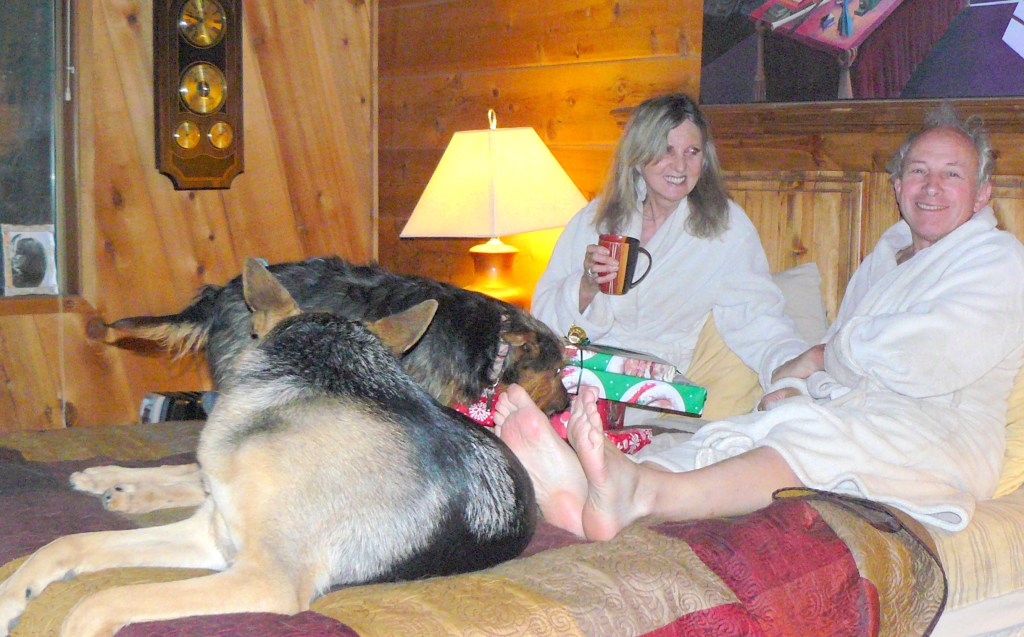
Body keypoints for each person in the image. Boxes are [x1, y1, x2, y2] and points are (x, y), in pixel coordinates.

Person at [497, 104, 1024, 540]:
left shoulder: (996, 259)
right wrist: (800, 380)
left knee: (803, 434)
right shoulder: (887, 255)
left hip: (940, 432)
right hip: (588, 362)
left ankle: (640, 493)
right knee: (736, 434)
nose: (931, 187)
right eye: (918, 172)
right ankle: (589, 492)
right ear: (896, 184)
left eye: (951, 174)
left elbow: (773, 322)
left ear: (981, 193)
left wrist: (799, 368)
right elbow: (544, 317)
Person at [531, 93, 807, 392]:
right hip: (581, 372)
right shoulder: (595, 218)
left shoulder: (724, 228)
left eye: (692, 152)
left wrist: (789, 366)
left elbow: (756, 315)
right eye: (666, 150)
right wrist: (586, 286)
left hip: (653, 388)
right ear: (638, 157)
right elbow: (542, 320)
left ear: (705, 160)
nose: (680, 166)